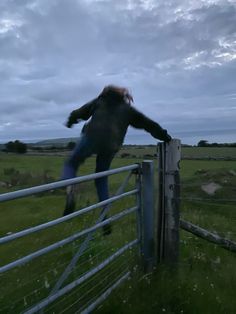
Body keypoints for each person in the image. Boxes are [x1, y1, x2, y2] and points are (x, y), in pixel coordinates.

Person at [61, 85, 172, 233]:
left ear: (105, 92)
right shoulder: (127, 110)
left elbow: (79, 113)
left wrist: (70, 122)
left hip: (91, 138)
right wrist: (165, 137)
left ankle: (70, 193)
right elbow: (148, 124)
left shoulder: (99, 101)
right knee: (101, 178)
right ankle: (105, 217)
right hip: (112, 145)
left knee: (71, 163)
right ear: (123, 95)